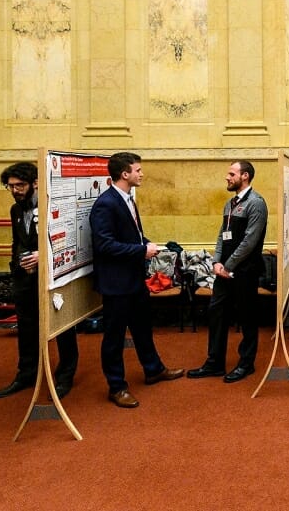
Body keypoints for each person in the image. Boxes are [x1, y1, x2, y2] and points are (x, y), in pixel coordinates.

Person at [90, 152, 184, 408]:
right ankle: (116, 387)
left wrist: (146, 243)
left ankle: (153, 370)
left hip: (133, 279)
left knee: (143, 328)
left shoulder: (128, 199)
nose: (142, 174)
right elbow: (105, 245)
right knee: (114, 337)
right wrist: (142, 251)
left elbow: (131, 235)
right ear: (124, 174)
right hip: (116, 283)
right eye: (138, 170)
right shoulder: (106, 204)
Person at [0, 162, 79, 401]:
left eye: (20, 185)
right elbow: (17, 241)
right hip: (24, 279)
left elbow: (71, 237)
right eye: (10, 186)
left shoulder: (56, 206)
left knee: (63, 326)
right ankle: (27, 374)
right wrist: (17, 266)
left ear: (35, 183)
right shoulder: (16, 209)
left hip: (54, 276)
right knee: (27, 327)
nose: (15, 190)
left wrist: (44, 255)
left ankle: (65, 376)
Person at [188, 161, 268, 384]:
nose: (227, 177)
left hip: (245, 272)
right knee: (216, 313)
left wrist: (228, 265)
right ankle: (214, 363)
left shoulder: (257, 203)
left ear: (245, 176)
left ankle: (246, 364)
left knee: (247, 317)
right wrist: (216, 262)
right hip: (223, 271)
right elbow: (222, 235)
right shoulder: (229, 203)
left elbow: (250, 241)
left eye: (231, 174)